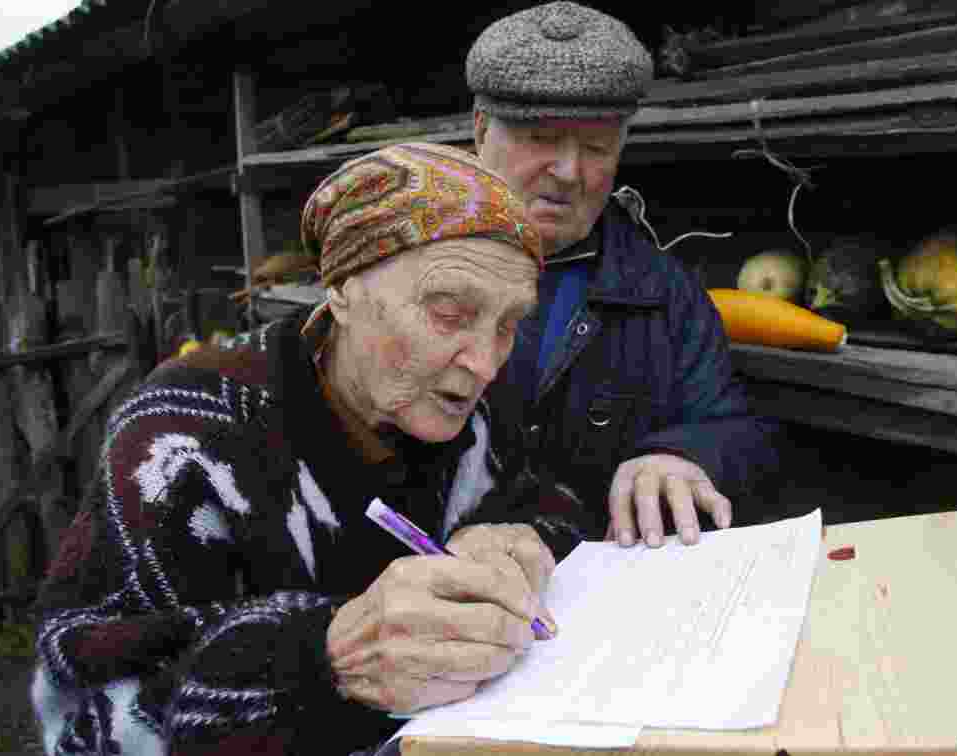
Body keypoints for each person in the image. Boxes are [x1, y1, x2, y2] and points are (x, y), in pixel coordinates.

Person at [30, 143, 591, 756]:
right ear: (342, 290)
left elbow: (551, 505)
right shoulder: (182, 439)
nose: (485, 362)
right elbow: (86, 721)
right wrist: (324, 662)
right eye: (450, 312)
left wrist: (505, 533)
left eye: (509, 325)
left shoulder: (469, 409)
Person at [466, 1, 781, 548]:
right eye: (540, 139)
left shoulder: (666, 294)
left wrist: (685, 455)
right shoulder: (402, 278)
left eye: (596, 147)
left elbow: (735, 428)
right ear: (479, 131)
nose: (568, 173)